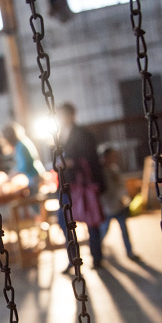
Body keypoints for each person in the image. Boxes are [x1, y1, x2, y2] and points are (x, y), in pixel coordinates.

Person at [56, 102, 105, 271]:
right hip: (66, 184)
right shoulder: (60, 135)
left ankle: (97, 257)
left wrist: (70, 163)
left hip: (82, 184)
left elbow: (90, 159)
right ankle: (73, 258)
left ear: (71, 115)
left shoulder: (83, 134)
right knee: (64, 221)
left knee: (91, 220)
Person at [99, 146, 140, 261]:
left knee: (124, 230)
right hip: (106, 206)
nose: (115, 158)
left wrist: (124, 199)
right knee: (103, 231)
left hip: (118, 205)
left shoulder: (115, 169)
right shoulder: (101, 172)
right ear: (106, 157)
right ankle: (98, 252)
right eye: (112, 156)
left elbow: (121, 186)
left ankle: (130, 252)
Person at [0, 122, 46, 195]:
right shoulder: (22, 143)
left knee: (33, 198)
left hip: (34, 176)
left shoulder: (21, 146)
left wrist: (11, 176)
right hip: (34, 175)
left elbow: (24, 165)